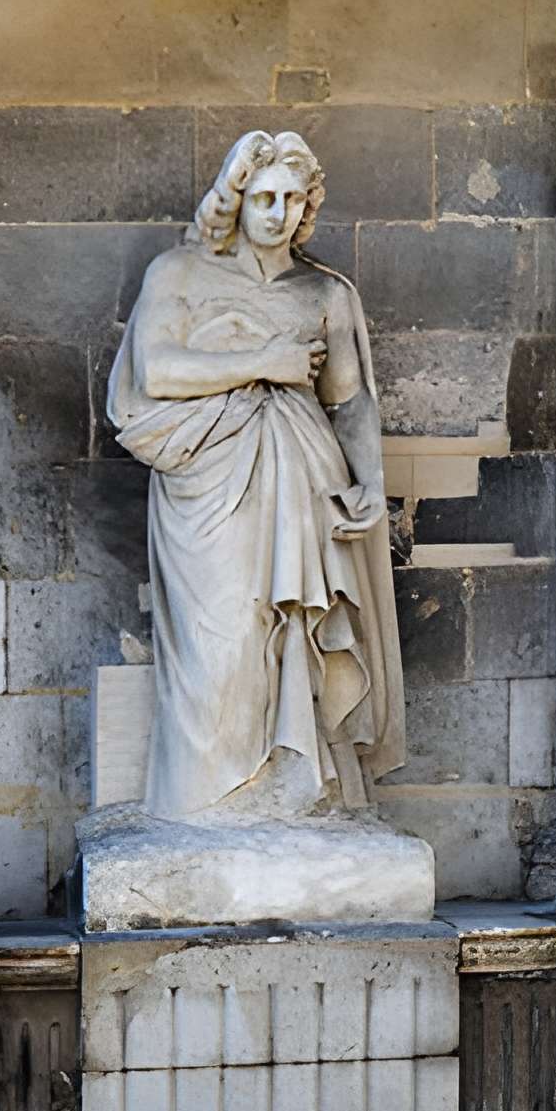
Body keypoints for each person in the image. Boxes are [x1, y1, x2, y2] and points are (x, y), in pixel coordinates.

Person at [108, 129, 406, 823]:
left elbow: (350, 399)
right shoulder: (178, 274)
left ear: (307, 208)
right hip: (207, 484)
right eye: (264, 196)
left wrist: (369, 480)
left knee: (299, 632)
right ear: (238, 200)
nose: (277, 211)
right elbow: (158, 371)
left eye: (292, 199)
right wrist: (263, 362)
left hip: (305, 478)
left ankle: (296, 793)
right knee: (225, 640)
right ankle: (208, 807)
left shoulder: (325, 293)